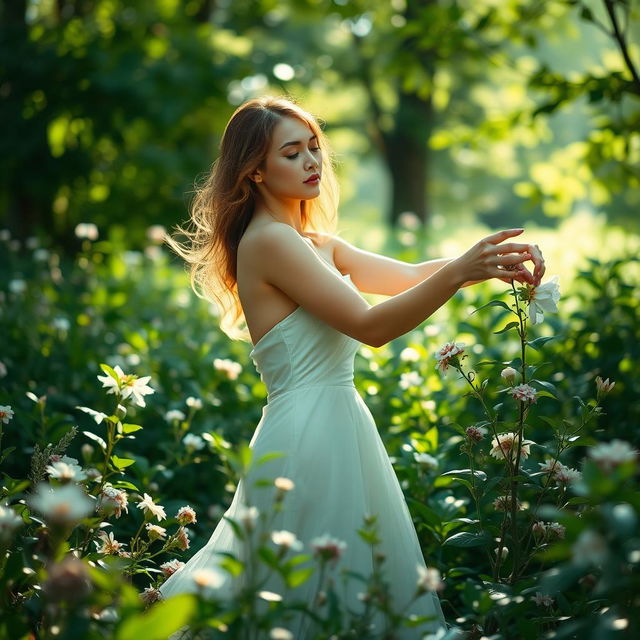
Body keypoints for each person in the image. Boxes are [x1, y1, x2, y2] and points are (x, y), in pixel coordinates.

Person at [159, 95, 545, 638]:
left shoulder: (316, 244)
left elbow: (410, 276)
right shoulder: (269, 242)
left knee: (344, 586)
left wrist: (487, 263)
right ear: (255, 170)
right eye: (291, 153)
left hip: (342, 424)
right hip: (305, 435)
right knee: (298, 592)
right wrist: (462, 272)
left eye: (313, 148)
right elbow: (372, 327)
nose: (312, 161)